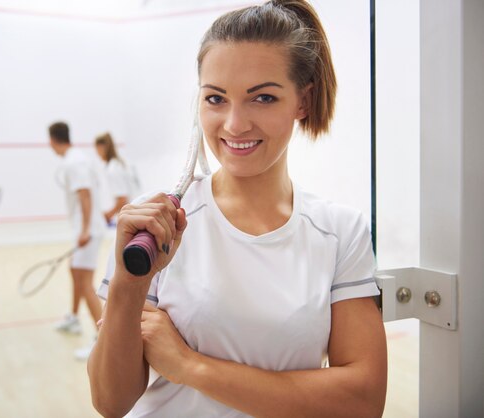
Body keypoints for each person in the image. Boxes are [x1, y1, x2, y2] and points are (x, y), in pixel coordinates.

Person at [88, 1, 387, 417]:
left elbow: (362, 400)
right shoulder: (152, 223)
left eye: (262, 97)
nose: (234, 124)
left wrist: (189, 365)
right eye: (216, 98)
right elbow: (110, 401)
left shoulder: (341, 232)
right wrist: (128, 283)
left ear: (303, 101)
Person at [49, 122, 105, 359]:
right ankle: (73, 319)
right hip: (84, 228)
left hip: (88, 230)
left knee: (85, 283)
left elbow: (85, 194)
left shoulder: (75, 162)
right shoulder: (75, 159)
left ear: (52, 139)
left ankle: (102, 341)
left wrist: (84, 230)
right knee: (75, 272)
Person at [94, 132, 140, 224]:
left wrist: (107, 215)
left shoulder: (113, 169)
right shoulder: (119, 164)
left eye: (96, 149)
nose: (96, 153)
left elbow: (122, 199)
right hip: (133, 215)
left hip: (129, 218)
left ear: (102, 147)